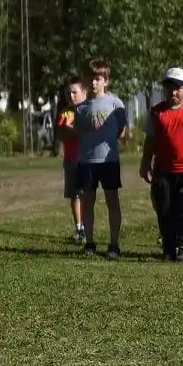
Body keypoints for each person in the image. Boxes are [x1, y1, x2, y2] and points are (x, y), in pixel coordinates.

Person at [139, 67, 183, 262]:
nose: (173, 92)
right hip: (163, 172)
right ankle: (169, 245)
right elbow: (150, 141)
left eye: (178, 88)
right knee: (164, 208)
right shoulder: (157, 113)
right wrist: (145, 163)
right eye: (169, 87)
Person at [74, 58, 129, 259]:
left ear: (106, 80)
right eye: (91, 78)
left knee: (112, 202)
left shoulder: (116, 103)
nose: (94, 82)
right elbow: (79, 131)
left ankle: (114, 244)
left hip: (108, 161)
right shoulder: (81, 107)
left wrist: (111, 139)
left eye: (98, 78)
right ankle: (89, 242)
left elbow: (122, 129)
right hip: (87, 162)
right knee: (88, 203)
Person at [55, 75, 88, 242]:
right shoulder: (65, 113)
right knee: (75, 195)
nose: (71, 96)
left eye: (74, 92)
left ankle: (88, 226)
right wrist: (69, 130)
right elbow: (62, 135)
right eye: (68, 93)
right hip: (71, 160)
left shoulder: (89, 110)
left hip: (88, 160)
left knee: (87, 194)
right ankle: (79, 227)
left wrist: (73, 129)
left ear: (84, 93)